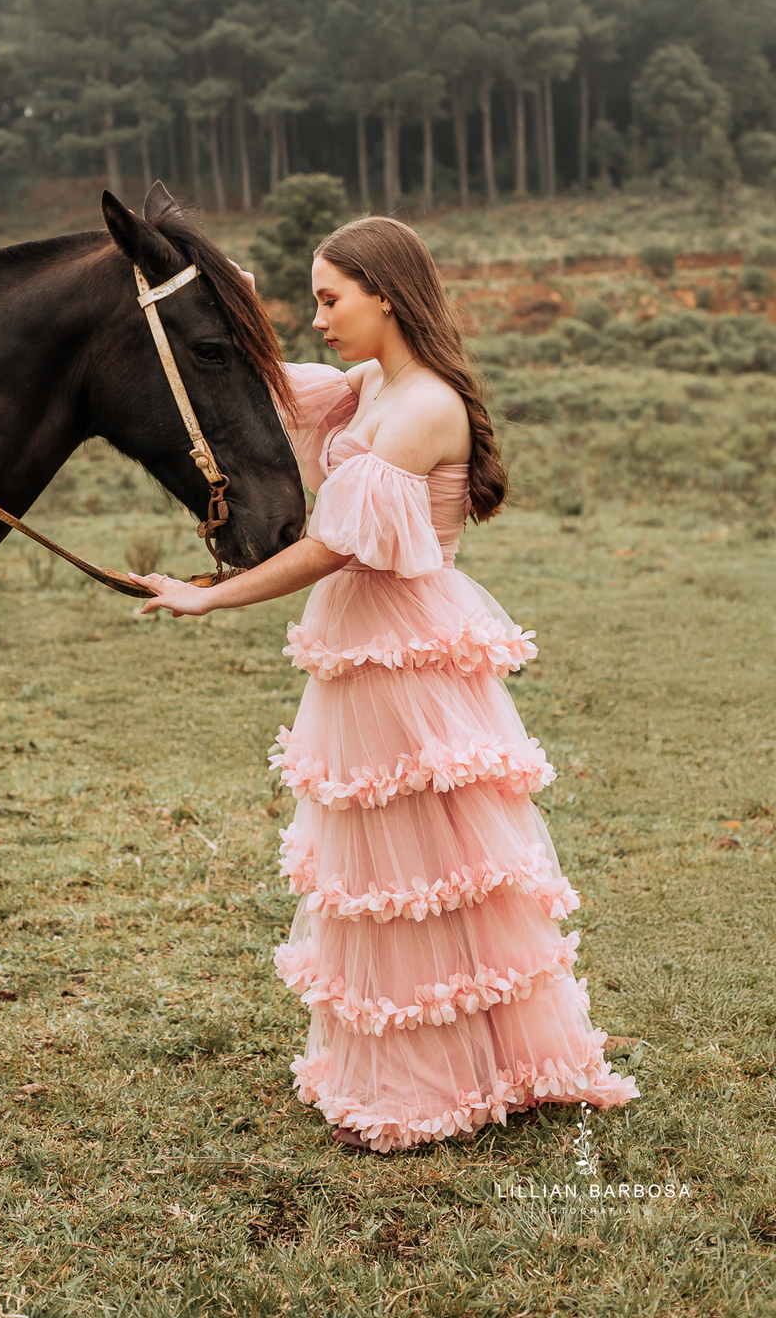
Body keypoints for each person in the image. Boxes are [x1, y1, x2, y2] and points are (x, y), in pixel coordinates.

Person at [132, 216, 637, 1153]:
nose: (320, 318)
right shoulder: (370, 385)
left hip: (404, 649)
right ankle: (454, 1066)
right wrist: (227, 296)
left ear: (387, 297)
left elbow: (333, 545)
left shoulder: (425, 406)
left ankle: (434, 1083)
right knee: (396, 865)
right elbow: (268, 389)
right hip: (365, 644)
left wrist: (211, 597)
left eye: (332, 299)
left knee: (425, 867)